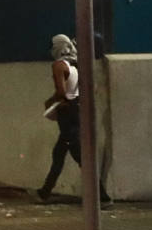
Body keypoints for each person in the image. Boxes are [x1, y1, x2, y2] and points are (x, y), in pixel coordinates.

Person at [37, 34, 108, 204]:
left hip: (67, 114)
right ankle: (44, 192)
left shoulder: (58, 65)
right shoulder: (75, 65)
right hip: (77, 111)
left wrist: (50, 101)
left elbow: (61, 92)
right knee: (59, 153)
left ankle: (103, 197)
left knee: (80, 157)